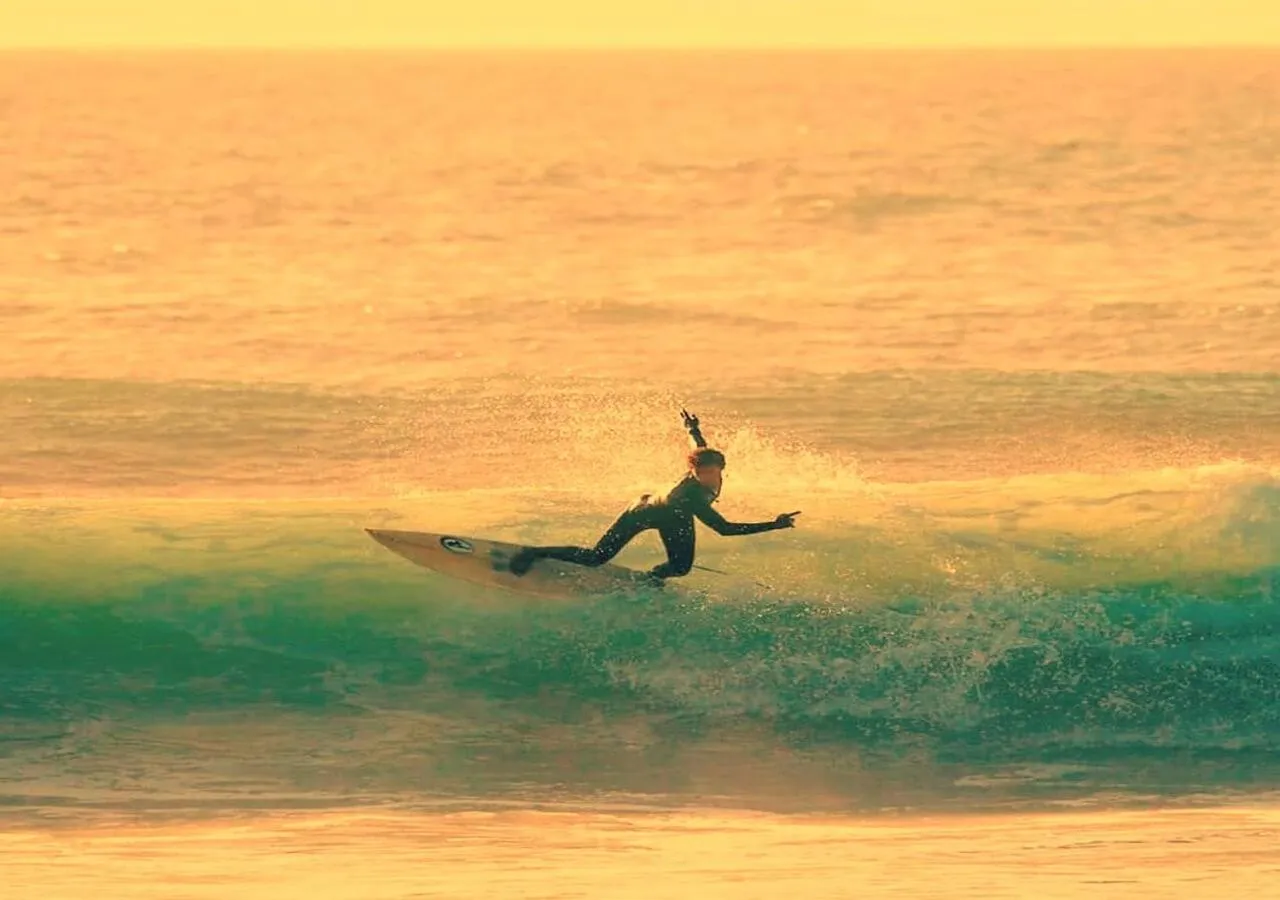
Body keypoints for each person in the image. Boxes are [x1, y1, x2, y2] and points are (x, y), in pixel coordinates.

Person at [507, 409, 800, 582]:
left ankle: (652, 579)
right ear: (694, 470)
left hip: (676, 519)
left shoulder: (709, 463)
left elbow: (698, 445)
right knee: (596, 557)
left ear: (721, 468)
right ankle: (532, 553)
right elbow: (724, 529)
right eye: (699, 472)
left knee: (680, 568)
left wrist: (692, 428)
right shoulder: (692, 495)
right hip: (644, 510)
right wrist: (774, 525)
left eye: (710, 471)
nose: (705, 476)